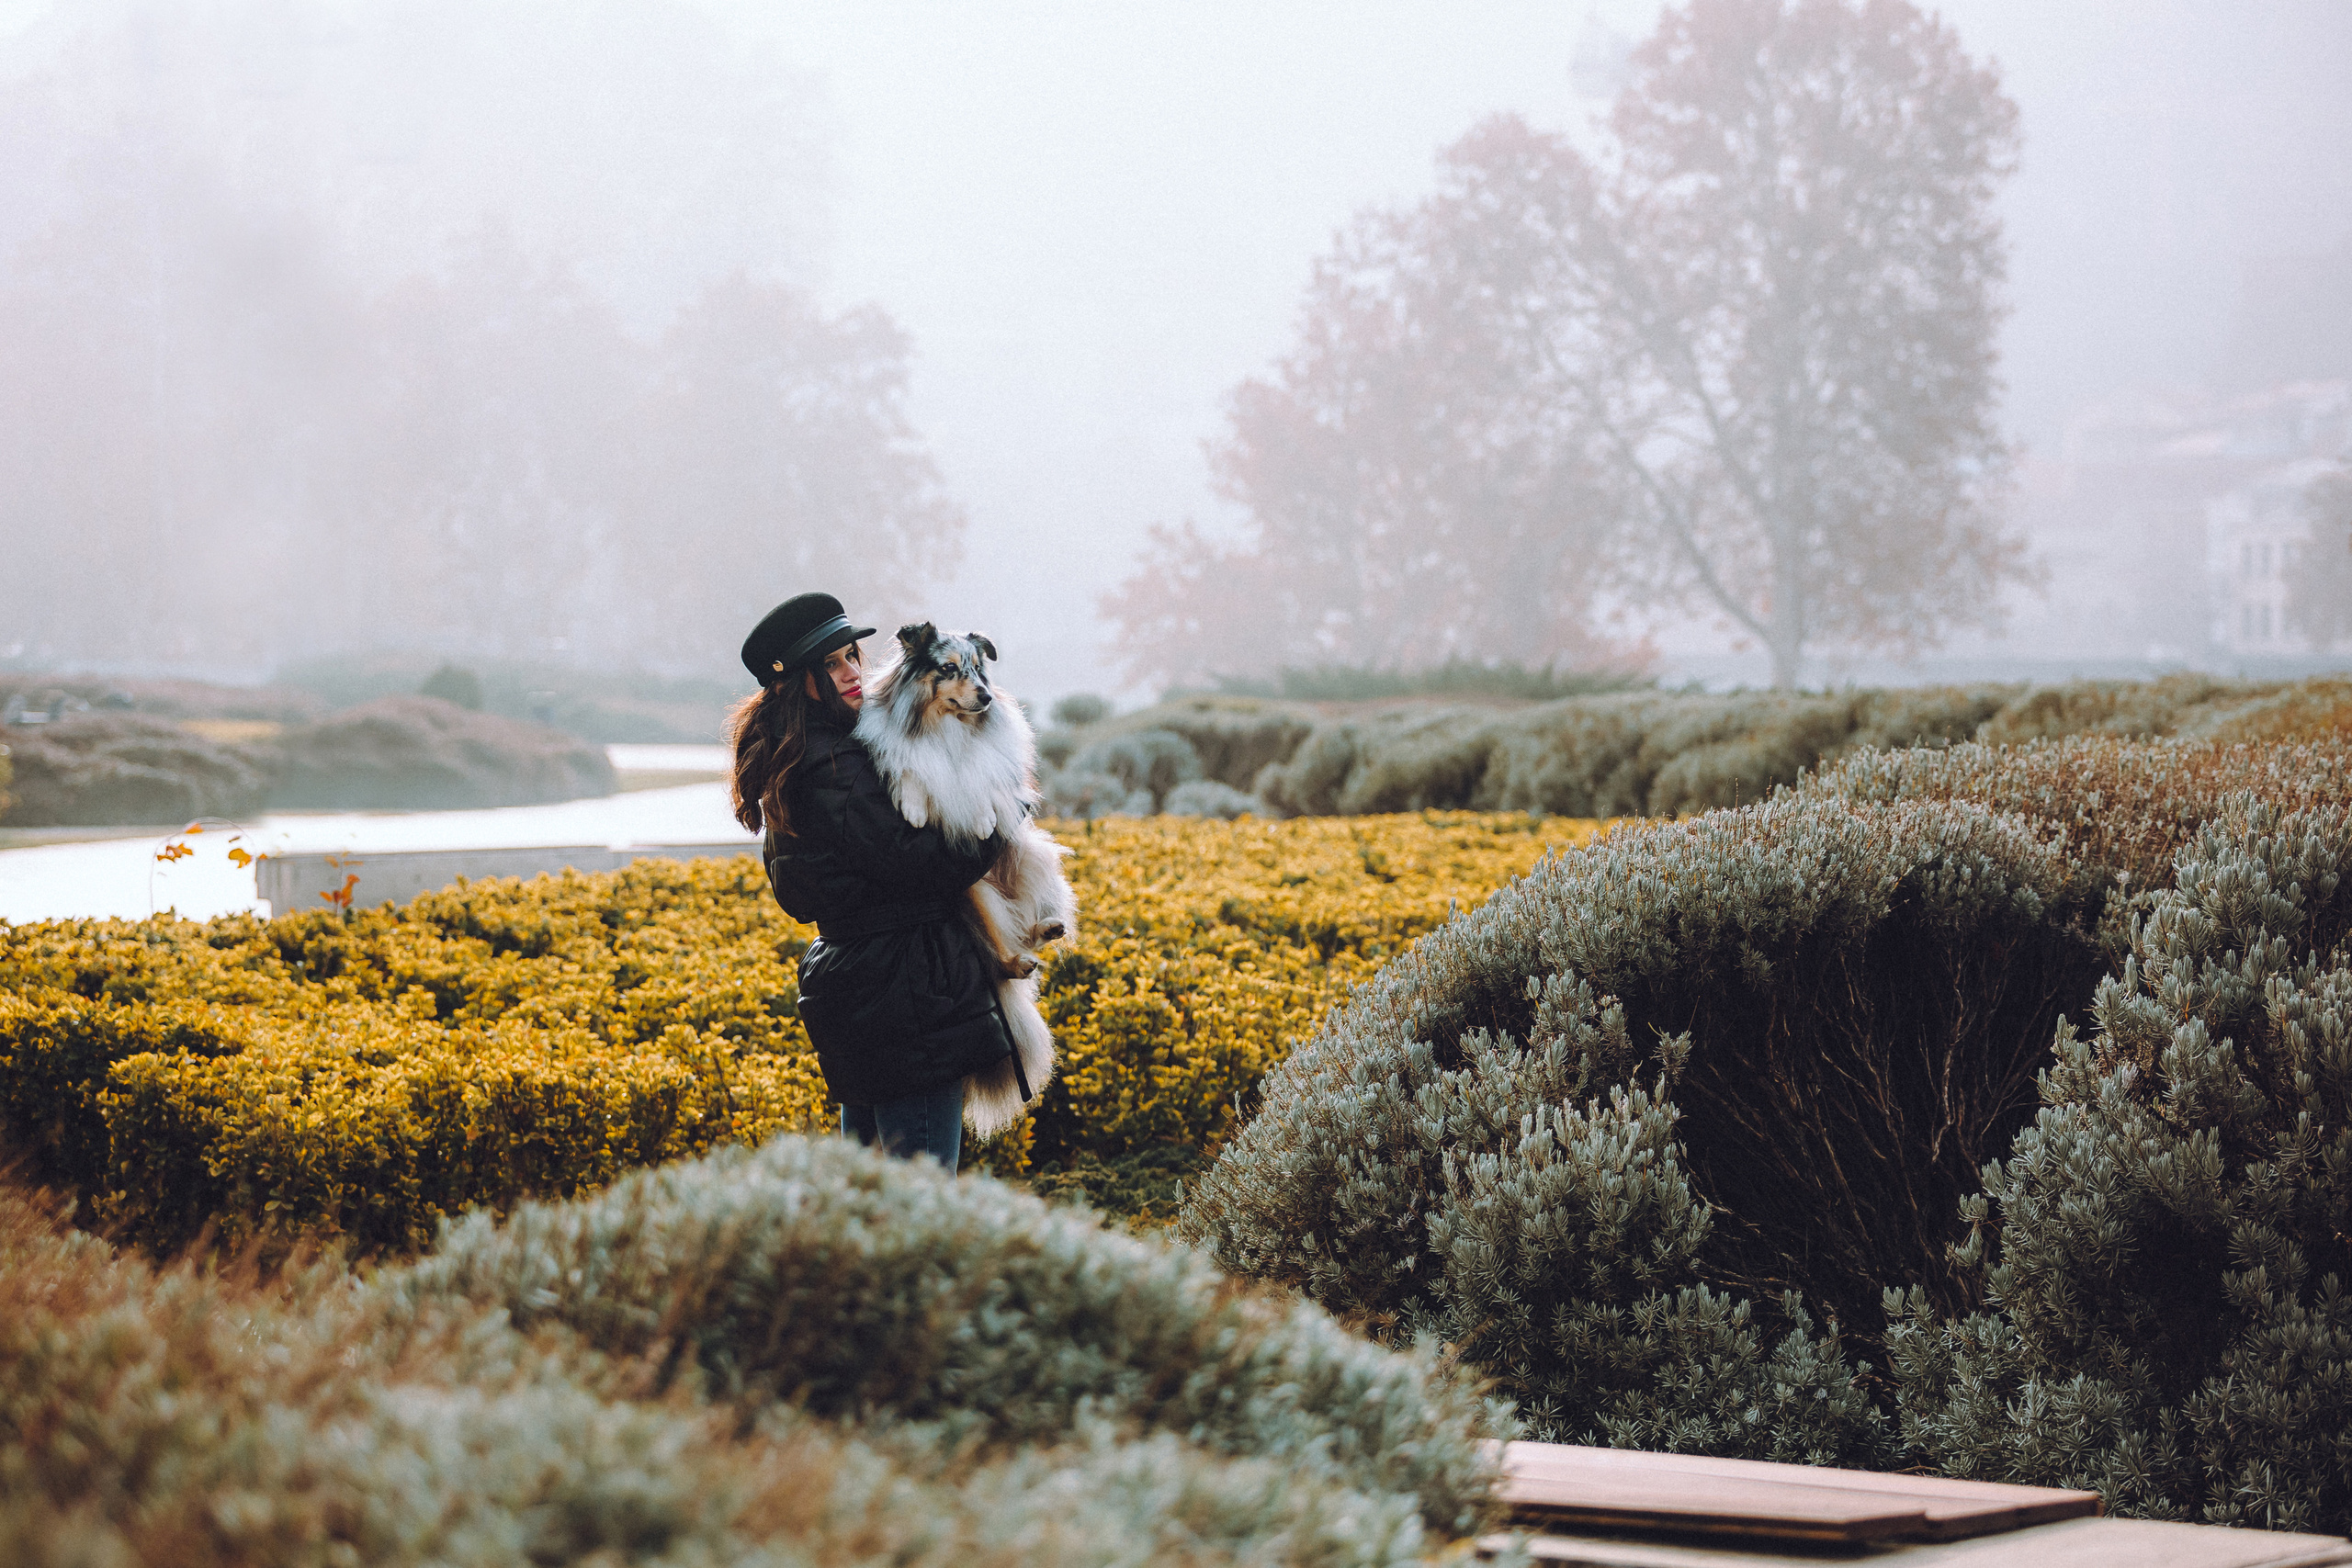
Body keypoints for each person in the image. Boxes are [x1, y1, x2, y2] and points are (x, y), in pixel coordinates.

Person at [729, 592, 1013, 1170]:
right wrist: (1004, 820)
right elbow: (924, 865)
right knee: (920, 1199)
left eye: (852, 656)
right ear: (794, 681)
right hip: (905, 995)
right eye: (832, 664)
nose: (853, 673)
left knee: (870, 1198)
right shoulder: (834, 765)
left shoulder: (805, 753)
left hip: (861, 989)